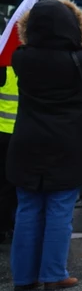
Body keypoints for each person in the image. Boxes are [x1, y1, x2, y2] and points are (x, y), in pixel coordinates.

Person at [8, 0, 82, 291]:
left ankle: (23, 277)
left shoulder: (21, 57)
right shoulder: (79, 62)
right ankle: (53, 273)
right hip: (66, 143)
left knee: (27, 208)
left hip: (26, 142)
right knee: (59, 209)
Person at [0, 61, 16, 245]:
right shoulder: (26, 68)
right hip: (19, 134)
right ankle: (7, 226)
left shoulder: (3, 68)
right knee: (11, 185)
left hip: (2, 133)